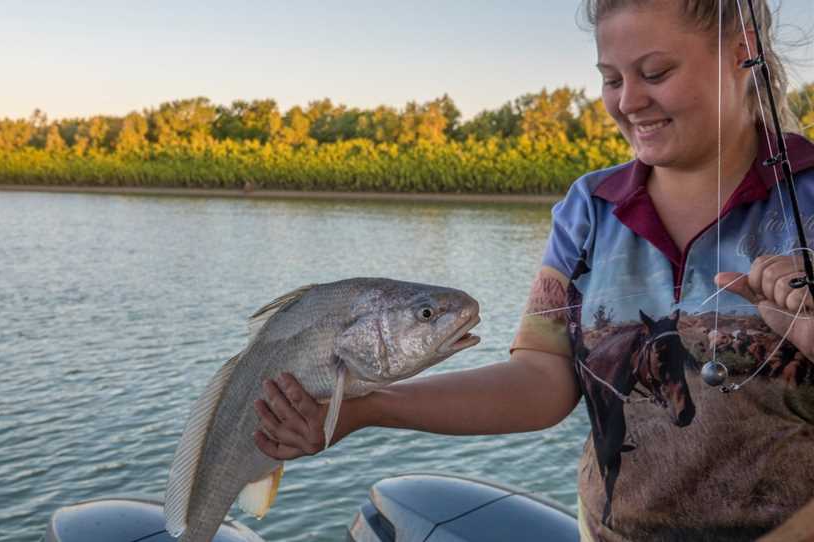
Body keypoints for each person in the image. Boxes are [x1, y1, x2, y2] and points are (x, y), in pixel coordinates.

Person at [253, 1, 814, 539]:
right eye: (612, 79)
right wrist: (361, 409)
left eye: (656, 72)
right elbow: (542, 381)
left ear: (744, 52)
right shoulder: (589, 209)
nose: (629, 101)